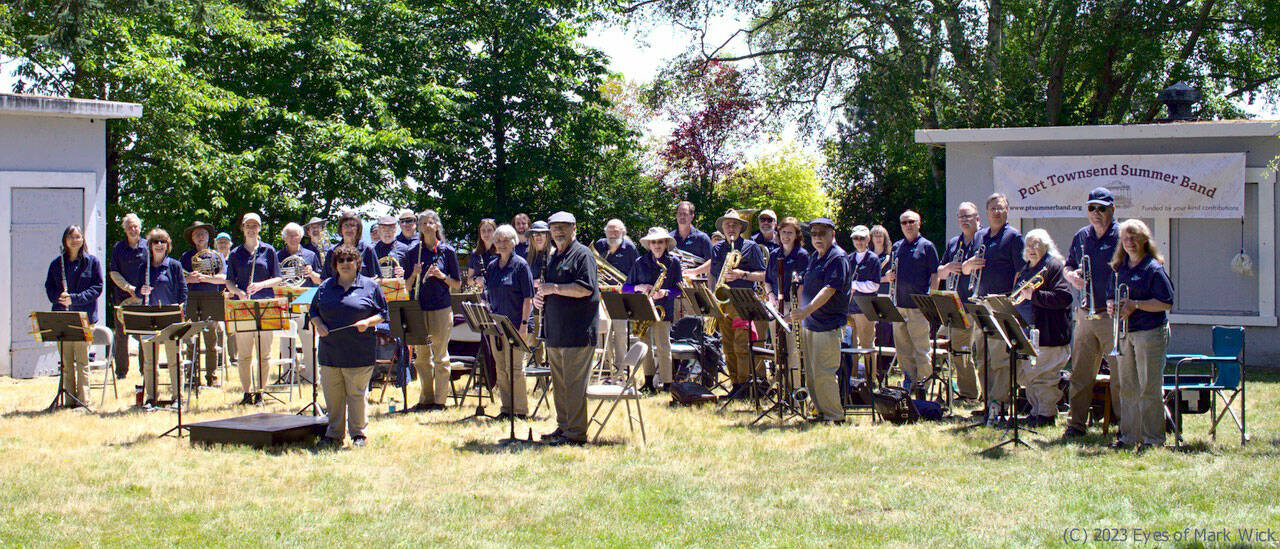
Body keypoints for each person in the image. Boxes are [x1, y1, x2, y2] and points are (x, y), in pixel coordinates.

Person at [311, 245, 388, 447]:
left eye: (349, 260)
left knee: (356, 395)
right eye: (341, 261)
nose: (345, 264)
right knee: (333, 396)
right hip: (330, 353)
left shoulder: (370, 286)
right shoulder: (325, 287)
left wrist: (367, 323)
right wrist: (319, 325)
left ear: (357, 263)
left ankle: (358, 434)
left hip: (359, 352)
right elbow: (313, 312)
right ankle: (334, 433)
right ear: (335, 265)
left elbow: (383, 313)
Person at [533, 212, 599, 446]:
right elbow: (547, 290)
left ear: (574, 229)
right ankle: (564, 427)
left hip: (577, 332)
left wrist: (554, 288)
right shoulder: (552, 257)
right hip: (555, 332)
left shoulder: (583, 255)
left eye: (563, 227)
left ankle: (576, 433)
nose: (558, 231)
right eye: (554, 228)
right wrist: (538, 299)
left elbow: (586, 289)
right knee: (560, 384)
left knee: (573, 385)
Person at [1107, 219, 1174, 450]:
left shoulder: (1153, 268)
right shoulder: (1120, 268)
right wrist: (1112, 305)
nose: (1130, 242)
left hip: (1150, 333)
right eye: (1126, 238)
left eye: (1134, 237)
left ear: (1144, 239)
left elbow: (1166, 302)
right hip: (1126, 334)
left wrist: (1135, 304)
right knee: (1127, 387)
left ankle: (1153, 439)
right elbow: (1112, 295)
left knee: (1149, 388)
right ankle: (1128, 437)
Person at [689, 209, 767, 399]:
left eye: (734, 224)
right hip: (724, 300)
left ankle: (749, 384)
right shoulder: (716, 249)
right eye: (727, 224)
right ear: (722, 228)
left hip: (744, 299)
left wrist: (742, 274)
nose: (731, 227)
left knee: (742, 345)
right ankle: (736, 384)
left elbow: (764, 274)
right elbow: (714, 275)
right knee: (728, 345)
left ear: (741, 227)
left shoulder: (751, 247)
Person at [1062, 187, 1120, 439]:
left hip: (1111, 316)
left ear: (1112, 210)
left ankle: (1125, 426)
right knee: (1081, 373)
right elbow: (1068, 265)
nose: (1096, 213)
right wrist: (1071, 276)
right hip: (1085, 313)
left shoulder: (1122, 236)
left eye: (1102, 208)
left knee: (1120, 375)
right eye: (1091, 208)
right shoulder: (1081, 236)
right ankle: (1076, 424)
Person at [965, 193, 1024, 417]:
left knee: (1000, 358)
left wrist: (1011, 303)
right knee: (981, 356)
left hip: (1000, 303)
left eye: (1001, 208)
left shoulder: (1014, 237)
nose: (997, 212)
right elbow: (967, 269)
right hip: (980, 303)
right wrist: (968, 266)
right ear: (986, 212)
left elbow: (1020, 272)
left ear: (1007, 211)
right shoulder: (980, 236)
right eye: (993, 209)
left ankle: (999, 403)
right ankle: (987, 401)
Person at [790, 218, 850, 423]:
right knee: (813, 374)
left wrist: (806, 310)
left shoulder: (838, 258)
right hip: (811, 324)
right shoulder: (815, 256)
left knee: (824, 372)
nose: (817, 238)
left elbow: (829, 290)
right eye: (813, 234)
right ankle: (821, 413)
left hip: (828, 324)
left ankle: (835, 416)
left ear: (832, 234)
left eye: (822, 233)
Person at [1013, 229, 1073, 427]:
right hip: (1028, 331)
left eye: (1036, 244)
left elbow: (1064, 298)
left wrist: (1034, 296)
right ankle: (1036, 410)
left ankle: (1046, 414)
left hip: (1049, 333)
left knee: (1045, 376)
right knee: (1030, 376)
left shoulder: (1054, 267)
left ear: (1046, 245)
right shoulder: (1025, 270)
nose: (1032, 249)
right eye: (1029, 245)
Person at [405, 210, 461, 411]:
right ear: (419, 228)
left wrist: (441, 276)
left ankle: (440, 401)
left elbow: (457, 284)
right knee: (421, 357)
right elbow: (406, 286)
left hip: (440, 309)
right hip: (419, 308)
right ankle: (425, 399)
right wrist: (414, 274)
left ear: (436, 226)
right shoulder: (413, 252)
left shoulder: (448, 251)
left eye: (431, 223)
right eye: (423, 223)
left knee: (440, 355)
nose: (427, 226)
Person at [225, 213, 283, 405]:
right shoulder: (235, 253)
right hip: (244, 306)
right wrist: (238, 292)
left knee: (264, 354)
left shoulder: (269, 251)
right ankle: (246, 392)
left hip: (265, 304)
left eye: (255, 226)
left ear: (259, 228)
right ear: (243, 228)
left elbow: (278, 278)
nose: (251, 229)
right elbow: (229, 281)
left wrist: (260, 285)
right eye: (248, 225)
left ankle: (260, 392)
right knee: (244, 354)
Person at [44, 225, 104, 407]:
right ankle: (69, 399)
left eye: (78, 237)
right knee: (67, 362)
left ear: (82, 240)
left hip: (84, 316)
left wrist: (75, 299)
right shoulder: (57, 263)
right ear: (65, 240)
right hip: (62, 316)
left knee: (82, 361)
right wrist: (59, 298)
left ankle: (83, 401)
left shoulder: (92, 262)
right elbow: (49, 287)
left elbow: (97, 288)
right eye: (71, 237)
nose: (75, 240)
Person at [885, 210, 939, 397]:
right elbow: (891, 273)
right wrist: (889, 277)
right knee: (903, 351)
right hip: (899, 306)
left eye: (911, 221)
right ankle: (909, 387)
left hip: (918, 308)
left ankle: (924, 389)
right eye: (904, 222)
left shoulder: (927, 246)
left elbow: (935, 274)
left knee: (922, 351)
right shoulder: (897, 247)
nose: (907, 225)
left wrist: (931, 299)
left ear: (919, 223)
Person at [483, 224, 535, 419]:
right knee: (501, 368)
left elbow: (528, 298)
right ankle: (506, 409)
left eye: (506, 240)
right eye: (498, 241)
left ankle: (520, 411)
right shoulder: (492, 266)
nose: (502, 244)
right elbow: (487, 294)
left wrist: (523, 325)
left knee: (515, 368)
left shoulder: (521, 265)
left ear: (514, 243)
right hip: (496, 325)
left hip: (516, 325)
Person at [625, 227, 683, 392]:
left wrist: (665, 292)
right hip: (643, 309)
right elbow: (625, 289)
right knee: (645, 346)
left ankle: (667, 384)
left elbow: (679, 290)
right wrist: (639, 287)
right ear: (649, 245)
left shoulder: (674, 263)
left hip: (663, 309)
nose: (657, 245)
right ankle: (648, 382)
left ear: (666, 244)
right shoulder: (639, 262)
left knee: (664, 346)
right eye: (654, 242)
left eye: (660, 242)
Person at [936, 202, 982, 401]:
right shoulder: (954, 242)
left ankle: (969, 393)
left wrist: (965, 266)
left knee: (962, 350)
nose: (964, 220)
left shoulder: (983, 240)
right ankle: (962, 389)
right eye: (961, 217)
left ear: (977, 219)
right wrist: (948, 268)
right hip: (954, 304)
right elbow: (940, 271)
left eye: (968, 216)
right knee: (943, 343)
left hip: (973, 303)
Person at [137, 228, 187, 407]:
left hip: (170, 317)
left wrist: (180, 312)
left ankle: (177, 397)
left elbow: (183, 291)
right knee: (150, 361)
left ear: (168, 245)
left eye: (163, 242)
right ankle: (151, 398)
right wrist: (140, 290)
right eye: (155, 242)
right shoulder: (144, 266)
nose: (159, 245)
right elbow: (137, 289)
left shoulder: (174, 265)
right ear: (150, 246)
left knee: (174, 359)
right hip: (149, 317)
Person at [180, 221, 229, 386]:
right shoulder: (186, 257)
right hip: (192, 299)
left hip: (211, 298)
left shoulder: (217, 256)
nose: (200, 237)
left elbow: (224, 278)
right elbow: (180, 280)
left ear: (208, 237)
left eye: (203, 234)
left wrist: (206, 278)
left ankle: (212, 378)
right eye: (196, 235)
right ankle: (192, 377)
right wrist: (190, 279)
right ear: (192, 239)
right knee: (191, 341)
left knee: (211, 342)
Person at [764, 217, 809, 387]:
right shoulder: (775, 254)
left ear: (796, 235)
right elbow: (767, 279)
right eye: (783, 232)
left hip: (793, 307)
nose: (786, 236)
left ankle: (797, 392)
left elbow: (802, 284)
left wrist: (795, 310)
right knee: (778, 351)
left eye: (790, 233)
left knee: (794, 351)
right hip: (776, 306)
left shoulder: (802, 255)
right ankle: (782, 389)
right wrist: (771, 296)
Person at [278, 222, 323, 383]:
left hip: (306, 301)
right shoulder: (278, 256)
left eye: (296, 235)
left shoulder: (311, 255)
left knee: (309, 340)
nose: (293, 238)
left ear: (301, 236)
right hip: (286, 301)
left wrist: (311, 274)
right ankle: (288, 376)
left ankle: (312, 376)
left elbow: (320, 281)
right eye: (289, 235)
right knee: (286, 341)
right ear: (284, 238)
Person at [594, 218, 639, 372]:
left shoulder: (630, 248)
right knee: (602, 331)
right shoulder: (600, 245)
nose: (613, 233)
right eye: (610, 230)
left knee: (620, 333)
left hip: (621, 296)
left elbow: (636, 271)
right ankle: (605, 367)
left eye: (616, 230)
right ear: (605, 231)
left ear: (623, 232)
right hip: (601, 296)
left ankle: (622, 368)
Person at [108, 213, 147, 378]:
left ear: (140, 228)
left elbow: (153, 270)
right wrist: (128, 287)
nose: (133, 229)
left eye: (136, 226)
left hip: (144, 299)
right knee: (121, 335)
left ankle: (146, 370)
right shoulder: (118, 248)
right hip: (122, 298)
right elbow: (113, 272)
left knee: (144, 335)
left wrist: (141, 291)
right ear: (125, 229)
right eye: (130, 227)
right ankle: (121, 372)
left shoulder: (147, 246)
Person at [845, 225, 879, 355]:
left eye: (862, 238)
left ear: (868, 239)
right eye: (856, 238)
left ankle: (870, 375)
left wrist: (854, 285)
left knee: (867, 345)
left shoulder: (873, 259)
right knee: (850, 344)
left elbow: (874, 285)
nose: (859, 241)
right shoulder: (849, 258)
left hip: (866, 308)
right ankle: (852, 374)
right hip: (850, 307)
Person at [869, 224, 894, 377]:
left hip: (884, 298)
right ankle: (873, 367)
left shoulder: (890, 258)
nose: (878, 238)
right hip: (870, 298)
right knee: (873, 333)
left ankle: (883, 368)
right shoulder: (867, 256)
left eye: (880, 235)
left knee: (885, 333)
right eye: (875, 235)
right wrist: (884, 278)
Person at [323, 212, 378, 279]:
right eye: (346, 225)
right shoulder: (332, 252)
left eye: (352, 225)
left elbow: (377, 278)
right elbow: (324, 280)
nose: (349, 229)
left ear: (358, 229)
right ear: (341, 228)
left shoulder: (368, 249)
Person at [467, 218, 498, 290]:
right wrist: (476, 280)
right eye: (483, 231)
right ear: (480, 233)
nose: (486, 234)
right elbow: (469, 280)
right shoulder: (475, 253)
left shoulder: (501, 251)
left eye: (489, 230)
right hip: (483, 297)